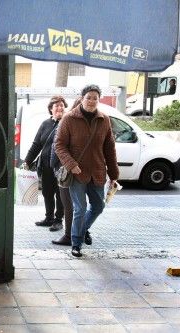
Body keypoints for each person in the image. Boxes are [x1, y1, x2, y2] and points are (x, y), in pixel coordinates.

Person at [55, 85, 119, 257]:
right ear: (82, 98)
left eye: (95, 98)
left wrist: (113, 175)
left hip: (97, 171)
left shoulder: (104, 119)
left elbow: (109, 148)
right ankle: (76, 243)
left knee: (98, 206)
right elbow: (59, 145)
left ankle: (83, 229)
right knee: (80, 208)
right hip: (77, 172)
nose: (91, 101)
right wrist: (71, 164)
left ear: (99, 100)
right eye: (88, 97)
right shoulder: (69, 119)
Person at [24, 96, 67, 231]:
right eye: (57, 106)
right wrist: (27, 161)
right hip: (46, 166)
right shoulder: (45, 124)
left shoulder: (67, 123)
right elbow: (37, 144)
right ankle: (49, 218)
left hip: (61, 167)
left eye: (62, 106)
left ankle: (58, 220)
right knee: (47, 193)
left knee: (60, 194)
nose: (60, 108)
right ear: (51, 109)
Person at [49, 98, 81, 246]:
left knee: (70, 205)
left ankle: (71, 235)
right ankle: (80, 232)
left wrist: (55, 167)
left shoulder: (66, 122)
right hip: (73, 171)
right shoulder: (70, 122)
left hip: (68, 171)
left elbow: (57, 147)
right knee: (78, 206)